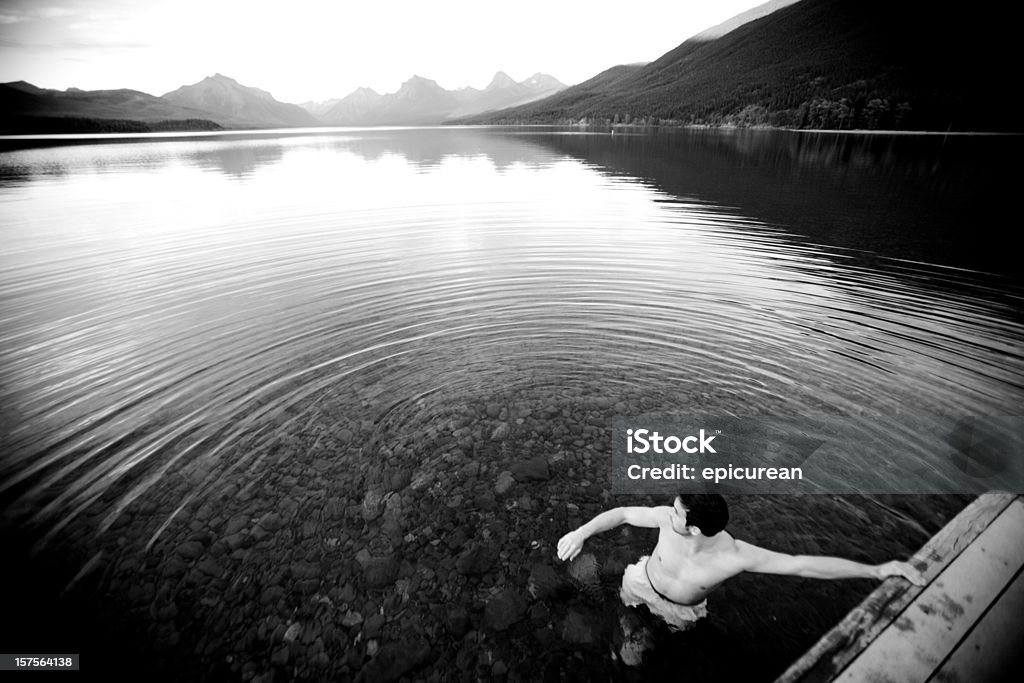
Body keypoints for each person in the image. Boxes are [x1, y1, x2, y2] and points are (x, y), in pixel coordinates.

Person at [557, 494, 925, 636]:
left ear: (696, 528)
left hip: (681, 611)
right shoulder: (667, 521)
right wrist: (581, 532)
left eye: (676, 513)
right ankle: (625, 622)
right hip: (641, 582)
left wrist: (877, 571)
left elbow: (801, 565)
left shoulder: (735, 556)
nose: (667, 514)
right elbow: (622, 513)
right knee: (624, 614)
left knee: (653, 646)